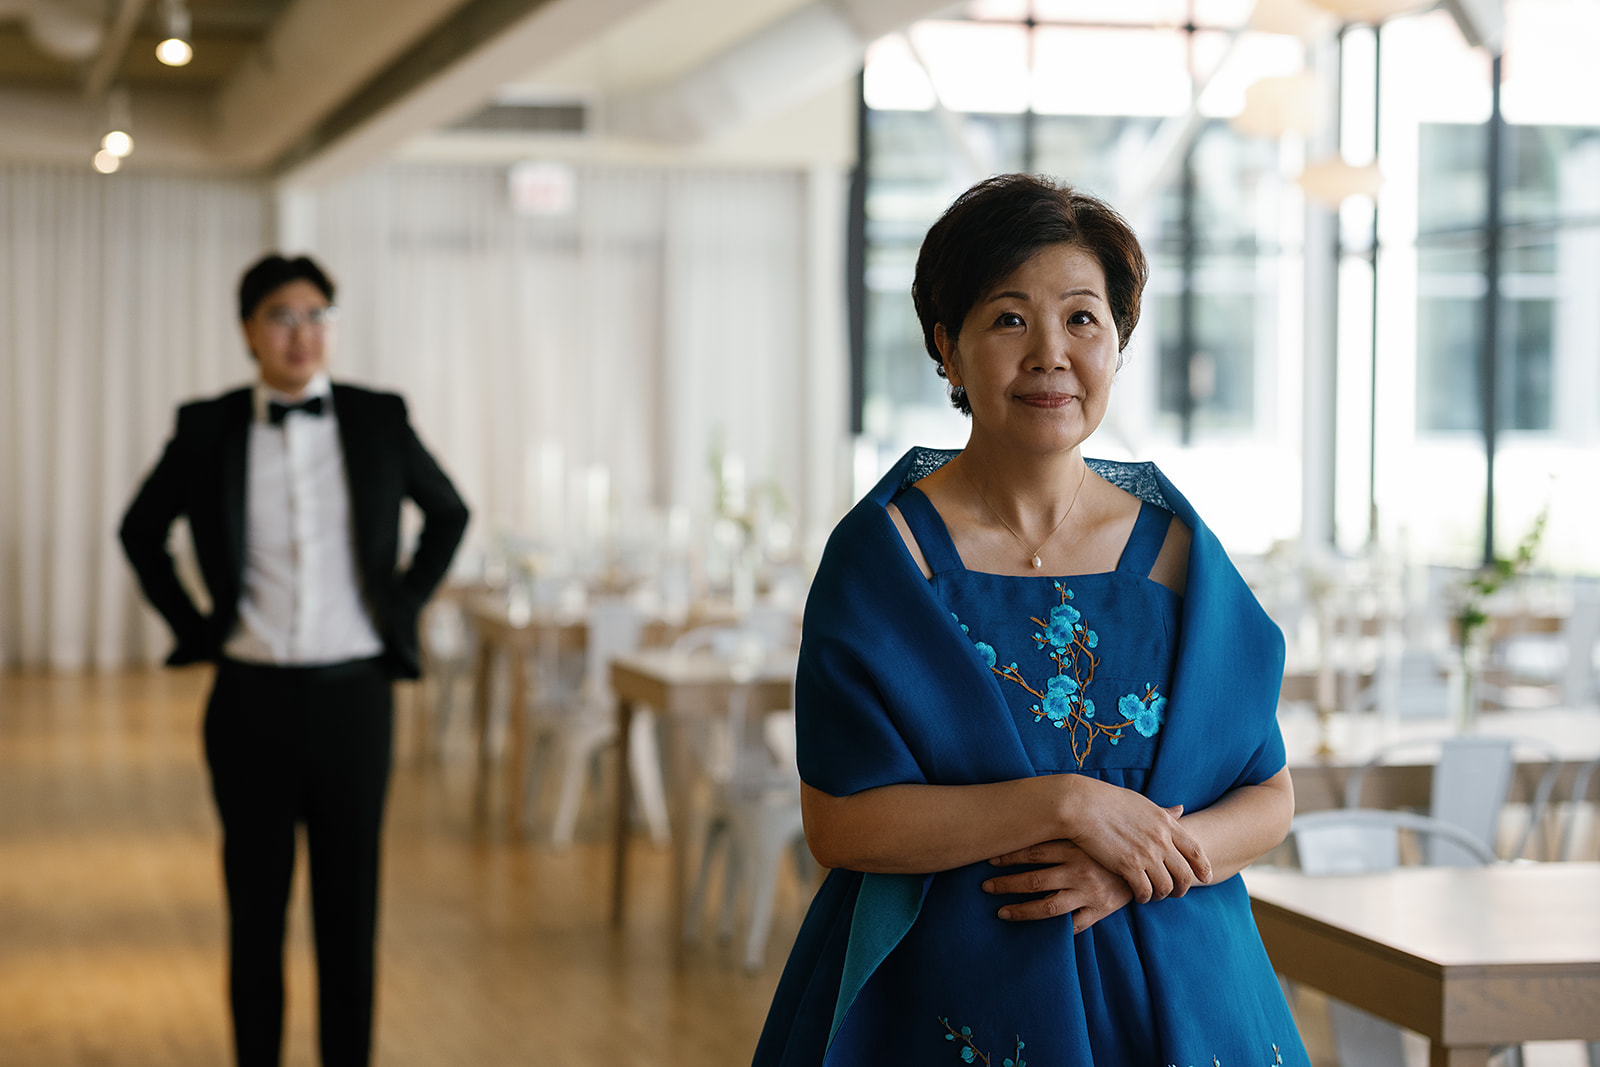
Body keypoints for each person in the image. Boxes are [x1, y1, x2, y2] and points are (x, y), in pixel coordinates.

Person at [753, 175, 1308, 1066]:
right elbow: (842, 824)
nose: (1051, 352)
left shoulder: (1178, 559)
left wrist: (1143, 860)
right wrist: (1068, 805)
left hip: (1177, 989)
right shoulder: (885, 559)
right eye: (1010, 318)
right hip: (947, 997)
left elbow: (1269, 794)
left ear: (1118, 341)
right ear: (949, 345)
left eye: (1083, 319)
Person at [119, 254, 469, 1067]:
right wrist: (197, 626)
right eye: (283, 315)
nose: (302, 333)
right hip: (248, 704)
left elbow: (448, 513)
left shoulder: (379, 418)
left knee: (350, 917)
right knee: (255, 915)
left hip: (356, 700)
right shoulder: (206, 427)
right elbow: (141, 531)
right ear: (249, 331)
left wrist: (403, 608)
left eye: (318, 315)